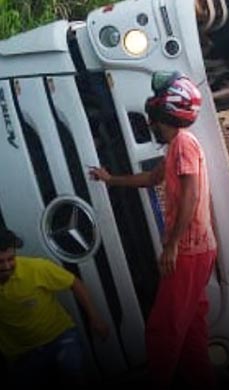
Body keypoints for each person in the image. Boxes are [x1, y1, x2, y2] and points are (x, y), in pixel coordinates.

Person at [89, 71, 217, 389]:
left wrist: (172, 245)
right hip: (200, 250)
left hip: (188, 250)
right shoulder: (176, 147)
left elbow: (190, 196)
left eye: (153, 117)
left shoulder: (184, 144)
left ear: (165, 114)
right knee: (190, 328)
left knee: (162, 331)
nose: (151, 124)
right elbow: (150, 180)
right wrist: (110, 179)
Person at [0, 228, 110, 386]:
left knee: (71, 372)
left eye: (10, 259)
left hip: (59, 338)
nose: (6, 266)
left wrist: (95, 317)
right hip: (21, 355)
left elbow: (74, 283)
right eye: (0, 261)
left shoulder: (36, 267)